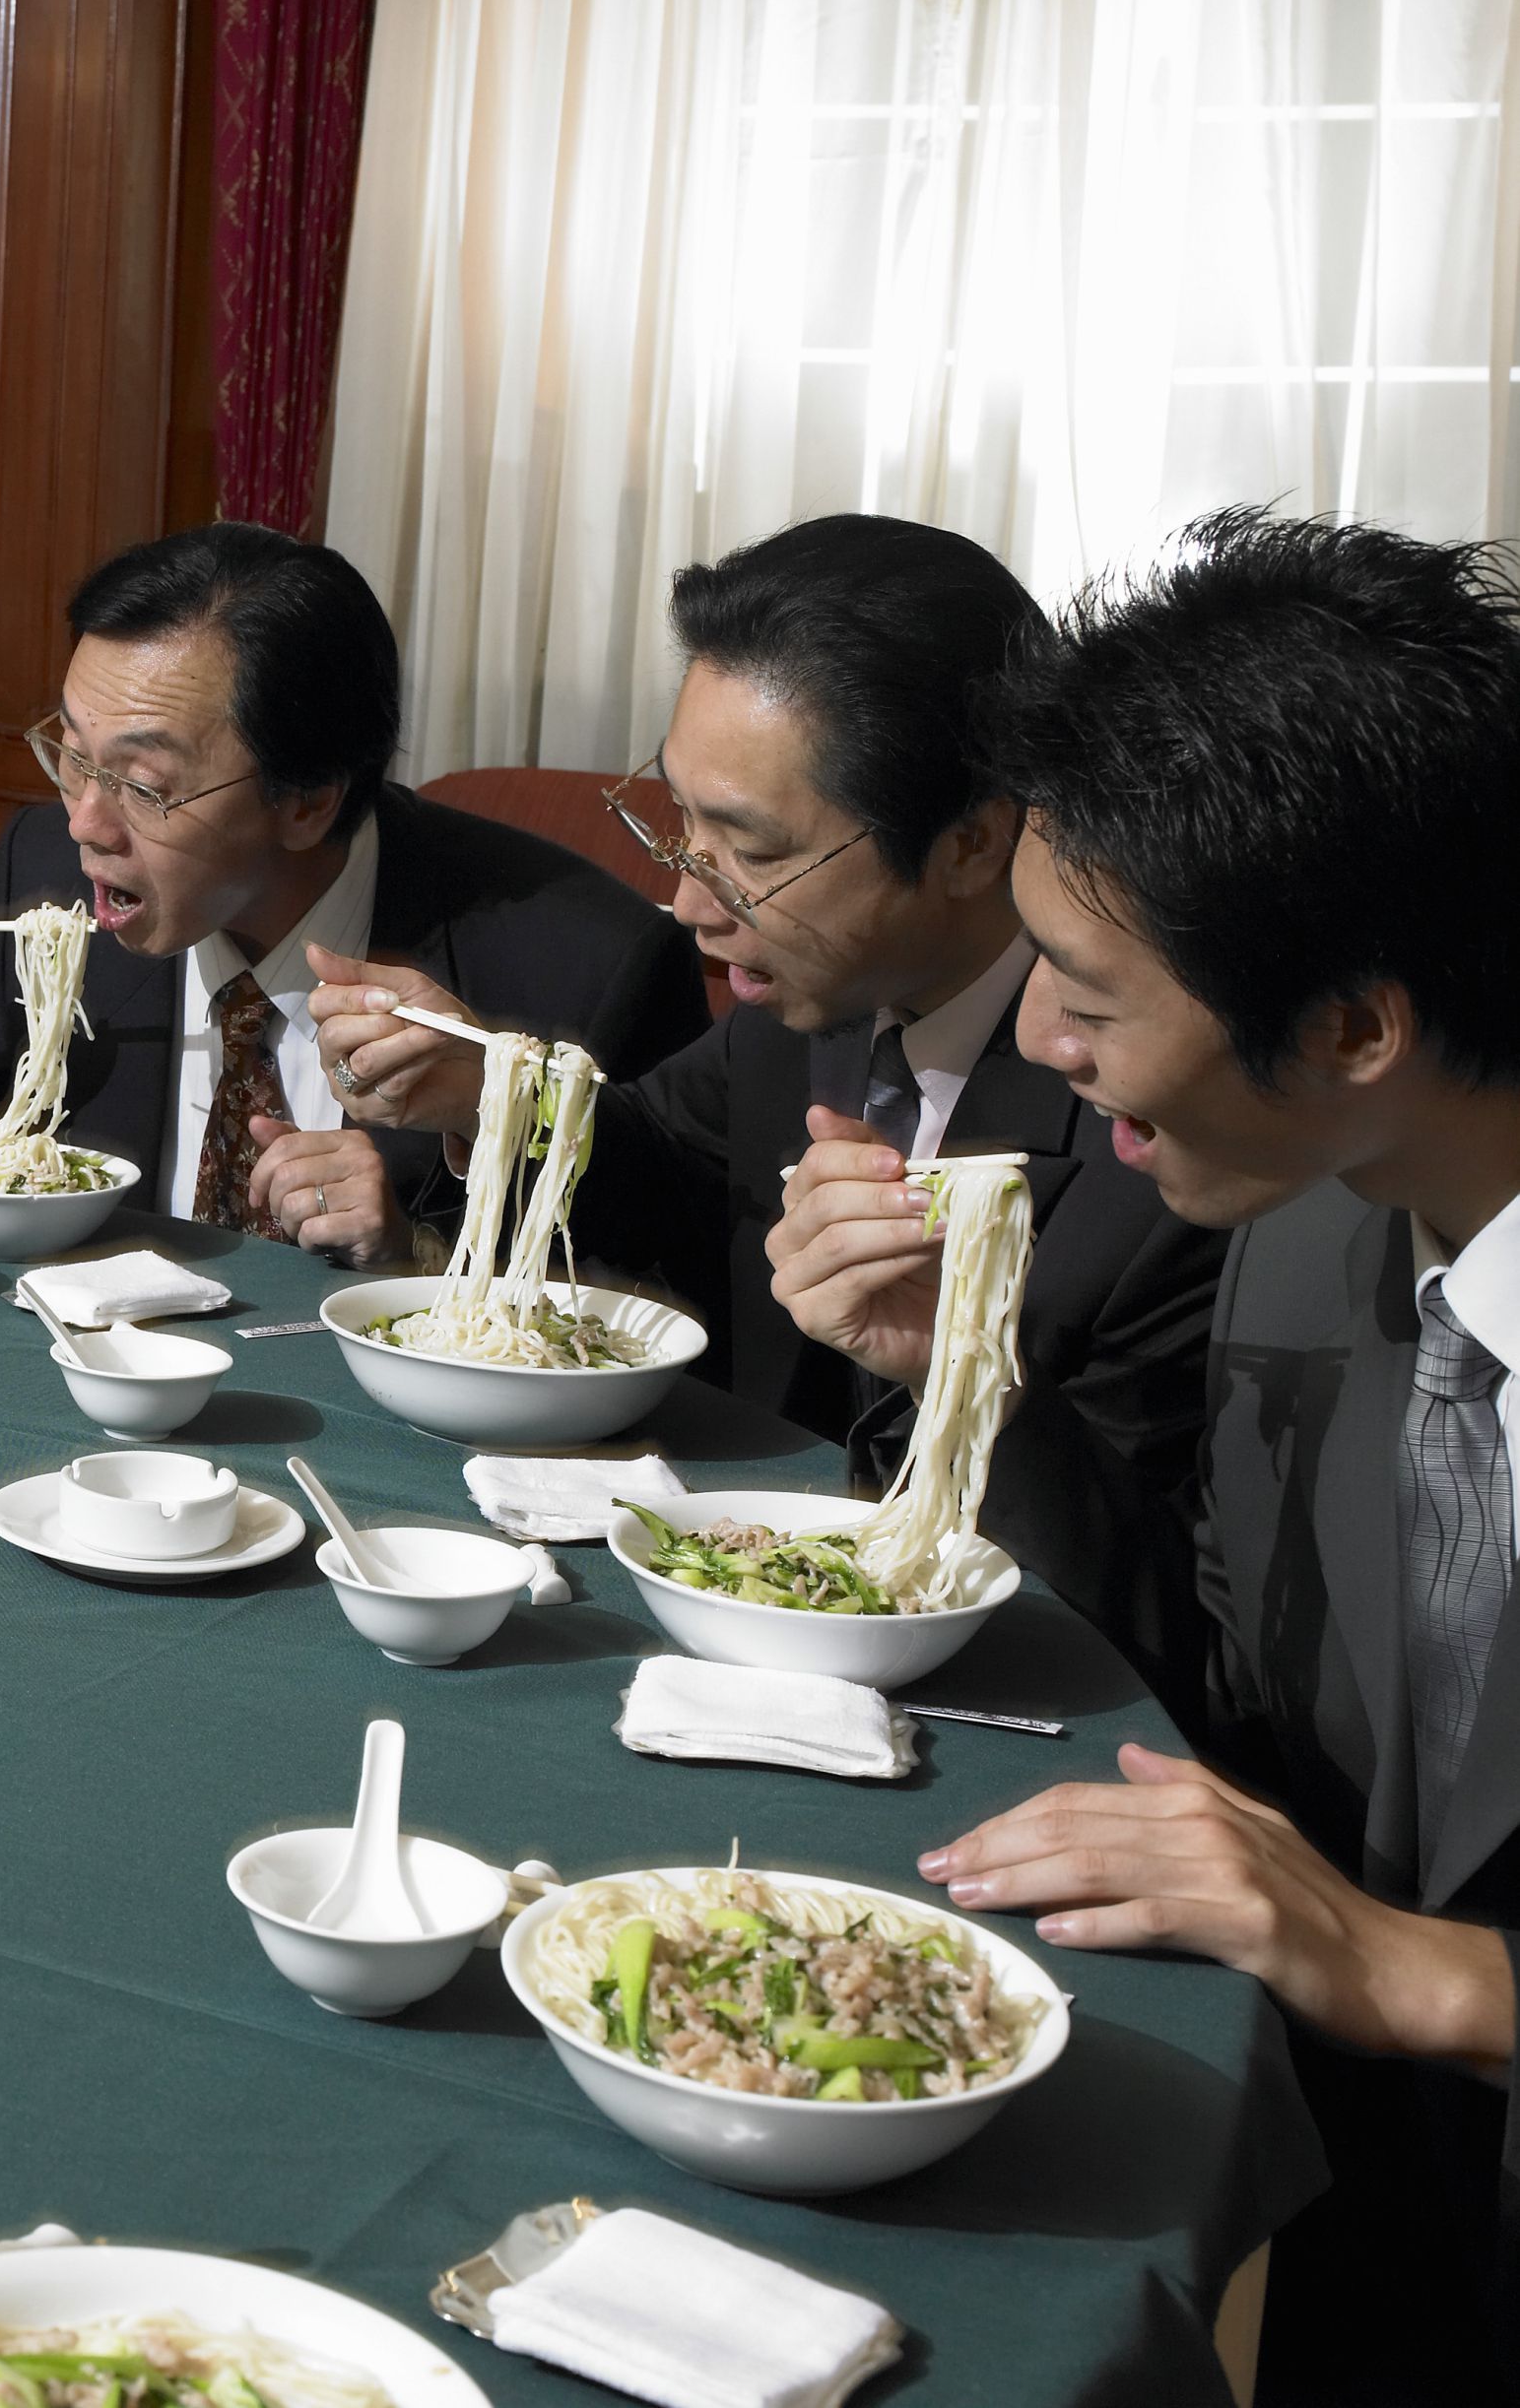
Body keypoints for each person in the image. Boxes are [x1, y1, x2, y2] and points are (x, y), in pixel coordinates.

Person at [915, 512, 1520, 2402]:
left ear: (1351, 1025)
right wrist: (966, 1385)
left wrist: (1432, 1977)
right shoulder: (1307, 1227)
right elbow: (1228, 1733)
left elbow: (1366, 1926)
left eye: (1087, 997)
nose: (1037, 1043)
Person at [317, 516, 1223, 1716]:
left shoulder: (1168, 1133)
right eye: (679, 825)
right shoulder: (809, 1008)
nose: (685, 898)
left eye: (746, 850)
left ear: (970, 842)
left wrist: (956, 1361)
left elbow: (1171, 1619)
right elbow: (663, 1166)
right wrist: (494, 1095)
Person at [0, 522, 702, 1254]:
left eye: (144, 784)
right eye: (74, 756)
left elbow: (663, 1287)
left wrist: (414, 1255)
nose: (88, 820)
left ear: (308, 801)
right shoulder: (53, 867)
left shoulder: (585, 969)